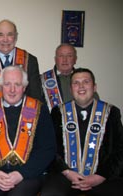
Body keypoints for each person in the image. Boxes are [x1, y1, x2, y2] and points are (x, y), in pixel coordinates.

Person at [41, 68, 123, 196]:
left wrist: (99, 177)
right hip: (66, 175)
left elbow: (119, 149)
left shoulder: (111, 112)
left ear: (94, 87)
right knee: (50, 193)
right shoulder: (58, 112)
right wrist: (67, 172)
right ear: (71, 88)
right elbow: (51, 147)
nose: (81, 86)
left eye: (86, 81)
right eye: (76, 83)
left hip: (101, 176)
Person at [0, 66, 56, 196]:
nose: (12, 90)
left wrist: (22, 173)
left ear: (24, 87)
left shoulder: (39, 110)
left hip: (28, 174)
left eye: (17, 84)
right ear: (1, 86)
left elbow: (47, 149)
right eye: (7, 84)